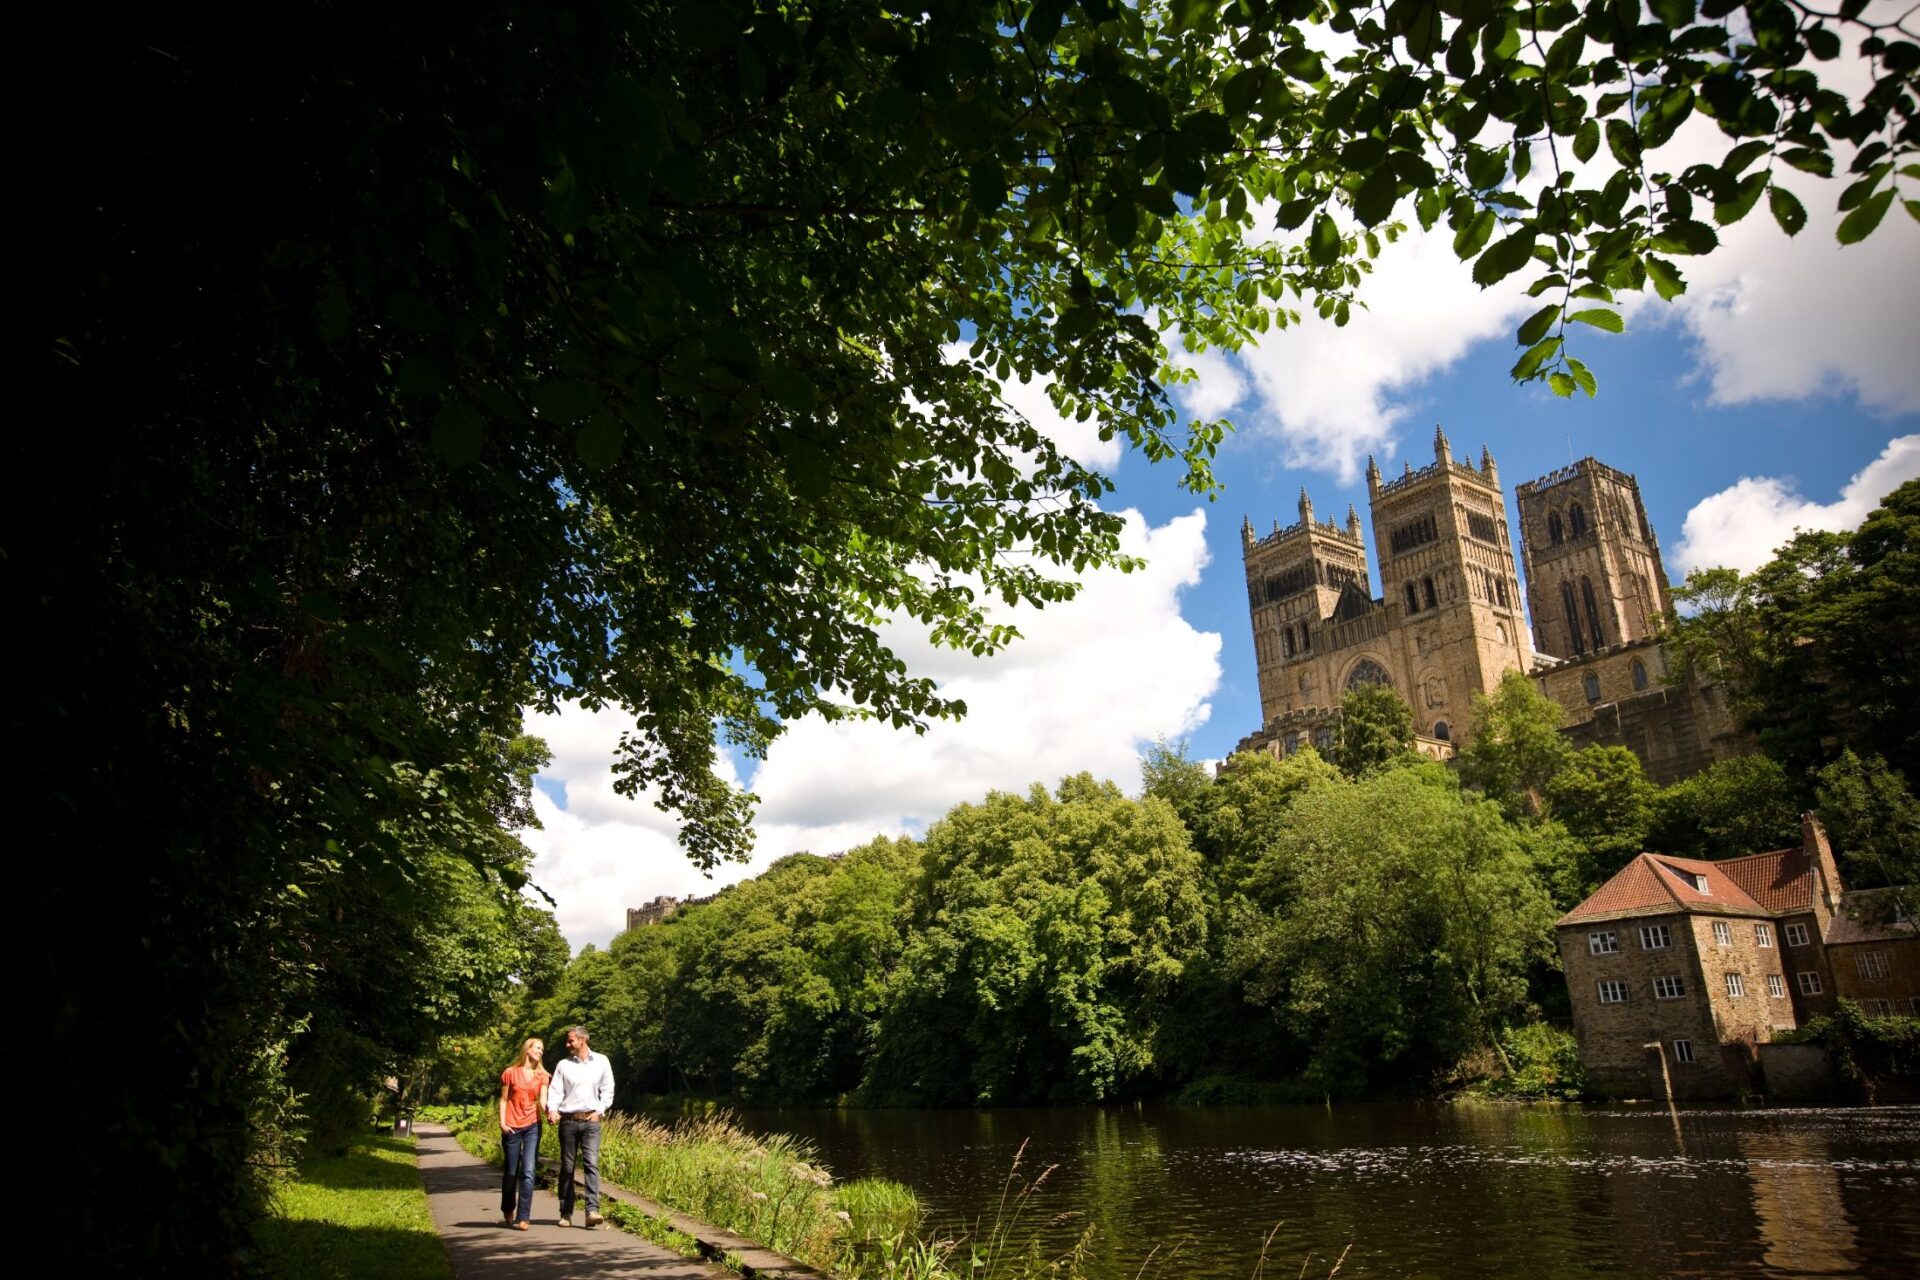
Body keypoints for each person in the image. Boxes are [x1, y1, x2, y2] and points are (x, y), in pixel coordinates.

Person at [546, 1024, 614, 1228]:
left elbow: (608, 1089)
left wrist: (599, 1112)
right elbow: (555, 1090)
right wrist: (552, 1109)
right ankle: (566, 1212)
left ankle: (592, 1210)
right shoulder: (563, 1065)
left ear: (582, 1040)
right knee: (567, 1167)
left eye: (570, 1040)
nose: (567, 1044)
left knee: (591, 1164)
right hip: (568, 1121)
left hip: (591, 1122)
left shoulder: (601, 1061)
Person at [498, 1037, 550, 1230]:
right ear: (528, 1050)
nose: (541, 1051)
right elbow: (504, 1100)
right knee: (511, 1172)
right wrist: (502, 1123)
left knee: (528, 1171)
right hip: (511, 1125)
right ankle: (508, 1207)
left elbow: (543, 1101)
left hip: (532, 1126)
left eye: (542, 1049)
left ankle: (523, 1217)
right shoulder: (510, 1073)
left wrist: (551, 1112)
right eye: (538, 1048)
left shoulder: (543, 1076)